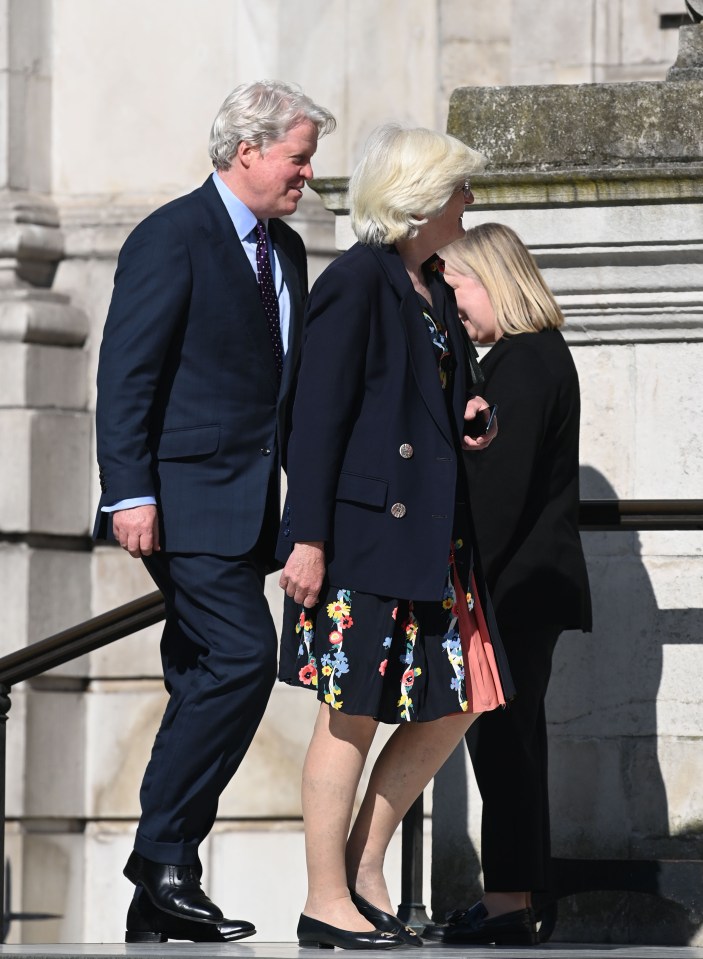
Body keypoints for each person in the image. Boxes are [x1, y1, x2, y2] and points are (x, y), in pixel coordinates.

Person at [93, 80, 336, 943]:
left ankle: (159, 895)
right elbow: (128, 371)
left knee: (201, 675)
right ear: (248, 152)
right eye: (298, 157)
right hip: (183, 499)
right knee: (241, 658)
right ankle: (161, 858)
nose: (307, 174)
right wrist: (129, 490)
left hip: (248, 508)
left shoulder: (290, 250)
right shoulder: (172, 235)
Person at [276, 125, 515, 951]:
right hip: (362, 540)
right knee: (350, 716)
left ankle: (362, 867)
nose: (469, 204)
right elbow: (314, 423)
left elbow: (433, 394)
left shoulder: (431, 285)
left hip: (435, 543)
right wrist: (305, 539)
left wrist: (468, 414)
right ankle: (322, 899)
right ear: (419, 201)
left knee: (457, 701)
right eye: (458, 190)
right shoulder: (355, 283)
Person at [427, 222, 592, 946]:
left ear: (491, 277)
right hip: (526, 583)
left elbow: (499, 493)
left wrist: (447, 578)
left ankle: (508, 905)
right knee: (512, 743)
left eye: (455, 286)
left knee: (503, 747)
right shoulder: (533, 358)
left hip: (512, 588)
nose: (450, 306)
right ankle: (520, 898)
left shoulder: (523, 363)